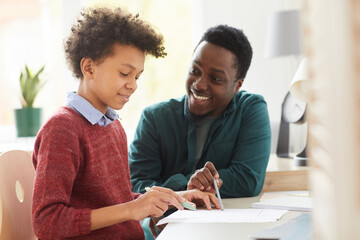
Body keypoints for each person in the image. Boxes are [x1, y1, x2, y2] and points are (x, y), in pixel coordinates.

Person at [31, 7, 219, 240]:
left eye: (137, 76)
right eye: (124, 73)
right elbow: (48, 223)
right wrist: (133, 208)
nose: (133, 85)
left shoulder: (112, 126)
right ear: (89, 68)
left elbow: (113, 204)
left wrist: (172, 197)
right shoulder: (62, 129)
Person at [129, 24, 271, 198]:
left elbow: (248, 179)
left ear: (237, 85)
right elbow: (137, 186)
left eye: (216, 78)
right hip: (165, 223)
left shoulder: (250, 109)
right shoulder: (154, 119)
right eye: (195, 71)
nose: (199, 84)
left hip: (223, 220)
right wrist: (186, 187)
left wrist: (184, 187)